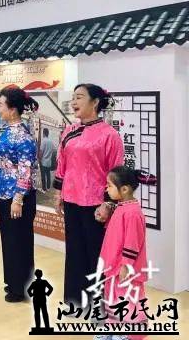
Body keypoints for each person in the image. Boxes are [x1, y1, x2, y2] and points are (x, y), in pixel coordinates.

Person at [53, 84, 124, 307]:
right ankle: (75, 300)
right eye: (73, 97)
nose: (74, 102)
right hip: (71, 201)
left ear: (95, 102)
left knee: (97, 254)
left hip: (96, 204)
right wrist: (58, 193)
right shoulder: (69, 131)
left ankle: (99, 305)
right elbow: (62, 164)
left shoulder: (110, 135)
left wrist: (108, 204)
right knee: (74, 251)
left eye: (79, 97)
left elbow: (116, 172)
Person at [0, 86, 38, 302]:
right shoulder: (3, 131)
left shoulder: (24, 136)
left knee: (19, 241)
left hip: (18, 197)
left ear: (13, 109)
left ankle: (21, 287)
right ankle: (13, 281)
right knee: (8, 240)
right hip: (2, 194)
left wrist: (18, 199)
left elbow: (26, 169)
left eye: (1, 105)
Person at [94, 166, 156, 340]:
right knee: (113, 298)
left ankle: (131, 333)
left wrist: (126, 266)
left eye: (109, 185)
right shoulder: (122, 207)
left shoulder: (133, 213)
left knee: (129, 299)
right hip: (114, 266)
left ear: (125, 189)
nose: (106, 188)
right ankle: (114, 328)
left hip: (125, 269)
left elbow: (132, 243)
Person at [39, 128, 55, 192]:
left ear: (43, 133)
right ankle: (48, 187)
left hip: (43, 162)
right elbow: (53, 151)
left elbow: (41, 152)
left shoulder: (44, 141)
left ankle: (44, 189)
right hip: (49, 162)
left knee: (43, 176)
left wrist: (39, 159)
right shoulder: (51, 142)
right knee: (48, 175)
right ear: (48, 133)